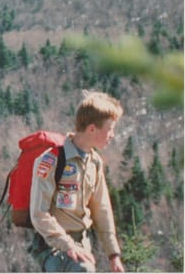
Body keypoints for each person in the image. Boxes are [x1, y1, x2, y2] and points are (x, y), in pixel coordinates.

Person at [29, 91, 125, 273]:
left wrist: (113, 255)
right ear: (91, 129)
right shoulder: (51, 160)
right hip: (53, 247)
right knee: (83, 270)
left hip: (82, 244)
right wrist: (67, 245)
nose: (112, 135)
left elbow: (102, 210)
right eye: (109, 128)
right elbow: (38, 213)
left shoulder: (94, 162)